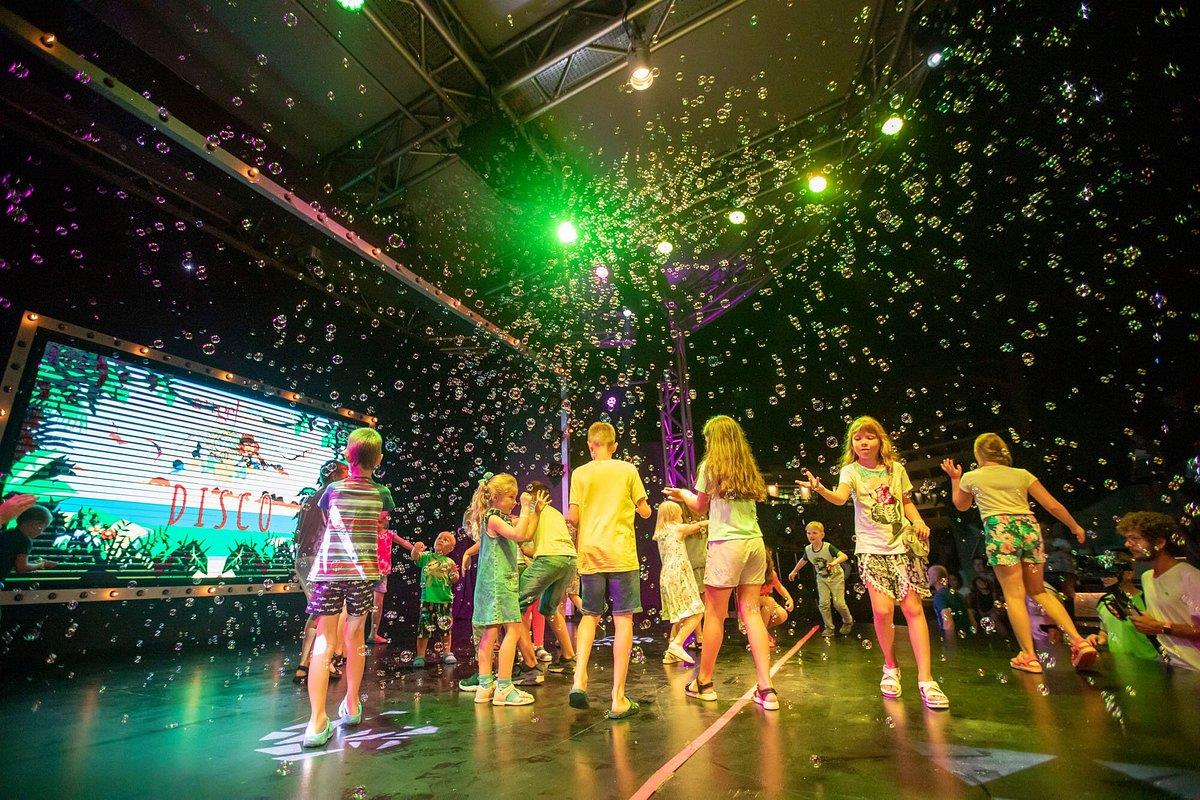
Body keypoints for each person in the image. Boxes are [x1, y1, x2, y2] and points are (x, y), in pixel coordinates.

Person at [801, 415, 949, 710]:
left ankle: (926, 679)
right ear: (852, 445)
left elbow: (907, 502)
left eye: (869, 437)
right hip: (870, 549)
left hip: (903, 547)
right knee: (882, 611)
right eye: (857, 438)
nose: (864, 442)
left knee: (913, 609)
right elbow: (840, 498)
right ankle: (890, 666)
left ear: (881, 441)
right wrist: (820, 489)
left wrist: (919, 522)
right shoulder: (850, 471)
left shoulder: (896, 469)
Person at [941, 432, 1098, 673]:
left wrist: (955, 478)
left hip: (1000, 529)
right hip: (1028, 528)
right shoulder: (1022, 474)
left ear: (978, 454)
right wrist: (1074, 526)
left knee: (1014, 595)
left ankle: (1029, 656)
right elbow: (1051, 504)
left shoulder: (972, 477)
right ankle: (1078, 640)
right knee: (1039, 591)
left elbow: (961, 505)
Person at [667, 415, 780, 711]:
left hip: (726, 545)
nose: (705, 443)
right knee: (751, 613)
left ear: (714, 440)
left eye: (707, 438)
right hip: (754, 543)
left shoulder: (710, 467)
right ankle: (766, 689)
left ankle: (704, 683)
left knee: (715, 614)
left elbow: (700, 506)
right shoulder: (747, 468)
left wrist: (684, 494)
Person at [303, 428, 394, 748]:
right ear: (379, 459)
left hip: (329, 571)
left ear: (346, 455)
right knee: (355, 638)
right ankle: (352, 704)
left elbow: (329, 518)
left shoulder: (332, 490)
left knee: (324, 640)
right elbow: (380, 519)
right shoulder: (382, 493)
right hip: (362, 573)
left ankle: (316, 722)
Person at [567, 421, 652, 719]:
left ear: (590, 446)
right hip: (621, 553)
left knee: (589, 615)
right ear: (614, 445)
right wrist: (633, 505)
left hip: (591, 553)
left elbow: (573, 516)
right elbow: (645, 511)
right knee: (623, 619)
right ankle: (618, 698)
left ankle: (579, 679)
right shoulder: (627, 469)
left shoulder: (579, 473)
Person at [465, 473, 547, 706]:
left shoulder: (497, 519)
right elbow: (520, 534)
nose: (514, 501)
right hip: (499, 583)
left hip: (497, 583)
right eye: (511, 497)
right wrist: (526, 507)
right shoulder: (493, 518)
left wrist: (535, 512)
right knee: (512, 631)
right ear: (495, 497)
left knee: (490, 633)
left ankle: (485, 687)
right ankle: (503, 687)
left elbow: (525, 535)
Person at [1117, 511, 1200, 671]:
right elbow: (1164, 617)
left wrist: (1161, 627)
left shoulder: (1189, 576)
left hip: (1194, 669)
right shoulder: (1147, 577)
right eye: (1127, 539)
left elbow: (1162, 625)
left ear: (1160, 543)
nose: (1127, 544)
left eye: (1135, 538)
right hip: (1166, 665)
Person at [292, 460, 348, 684]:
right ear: (334, 475)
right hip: (323, 559)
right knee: (333, 611)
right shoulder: (335, 496)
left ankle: (303, 664)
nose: (348, 478)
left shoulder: (309, 499)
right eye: (345, 474)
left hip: (303, 559)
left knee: (318, 611)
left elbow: (297, 534)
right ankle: (327, 662)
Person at [515, 480, 578, 673]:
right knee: (548, 608)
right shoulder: (556, 514)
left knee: (513, 604)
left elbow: (524, 536)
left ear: (536, 497)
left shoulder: (534, 510)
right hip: (569, 561)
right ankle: (568, 658)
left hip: (549, 560)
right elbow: (538, 547)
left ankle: (529, 664)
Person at [653, 501, 706, 666]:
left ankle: (671, 654)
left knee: (679, 615)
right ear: (673, 515)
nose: (682, 515)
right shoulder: (677, 529)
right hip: (679, 574)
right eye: (679, 513)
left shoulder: (660, 532)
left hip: (666, 576)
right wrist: (715, 519)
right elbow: (698, 526)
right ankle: (677, 644)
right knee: (697, 611)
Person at [788, 521, 854, 635]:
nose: (811, 535)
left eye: (814, 533)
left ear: (822, 535)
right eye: (808, 533)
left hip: (836, 578)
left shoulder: (828, 547)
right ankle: (829, 627)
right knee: (823, 603)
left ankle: (848, 621)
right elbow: (803, 560)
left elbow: (844, 556)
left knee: (839, 603)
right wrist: (794, 571)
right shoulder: (808, 549)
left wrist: (834, 562)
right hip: (822, 578)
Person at [1085, 558, 1157, 660]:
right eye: (1103, 573)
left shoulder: (1147, 600)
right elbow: (1105, 630)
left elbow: (1159, 631)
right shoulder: (1104, 601)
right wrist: (1099, 638)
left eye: (1112, 572)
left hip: (1147, 662)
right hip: (1117, 662)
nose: (1105, 577)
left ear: (1129, 573)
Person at [409, 531, 460, 666]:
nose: (441, 540)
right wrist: (416, 548)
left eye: (446, 540)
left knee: (446, 629)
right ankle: (420, 655)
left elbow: (454, 579)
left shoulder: (450, 562)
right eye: (439, 538)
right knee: (424, 628)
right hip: (427, 599)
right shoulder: (427, 556)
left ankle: (447, 652)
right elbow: (415, 557)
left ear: (451, 549)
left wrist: (454, 573)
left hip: (444, 600)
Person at [370, 526, 415, 646]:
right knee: (362, 604)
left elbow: (404, 543)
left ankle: (373, 634)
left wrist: (416, 550)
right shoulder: (369, 532)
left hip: (382, 574)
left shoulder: (390, 534)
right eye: (378, 520)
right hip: (367, 572)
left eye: (383, 520)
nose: (379, 523)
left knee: (378, 605)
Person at [0, 504, 58, 587]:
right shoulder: (25, 541)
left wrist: (34, 563)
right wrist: (42, 564)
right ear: (37, 524)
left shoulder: (8, 533)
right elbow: (21, 568)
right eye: (43, 528)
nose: (41, 532)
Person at [681, 505, 708, 649]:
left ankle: (700, 637)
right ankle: (707, 635)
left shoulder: (682, 525)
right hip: (704, 564)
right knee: (705, 604)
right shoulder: (703, 523)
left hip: (691, 566)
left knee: (695, 605)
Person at [759, 547, 795, 647]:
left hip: (765, 602)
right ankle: (761, 637)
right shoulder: (751, 574)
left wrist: (789, 599)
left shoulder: (771, 574)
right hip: (751, 603)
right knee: (770, 601)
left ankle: (758, 631)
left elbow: (779, 586)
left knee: (782, 614)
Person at [928, 564, 969, 640]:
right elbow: (971, 618)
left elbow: (948, 623)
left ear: (936, 578)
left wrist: (950, 645)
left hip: (954, 640)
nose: (927, 577)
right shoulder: (958, 594)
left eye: (928, 574)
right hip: (966, 639)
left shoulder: (939, 596)